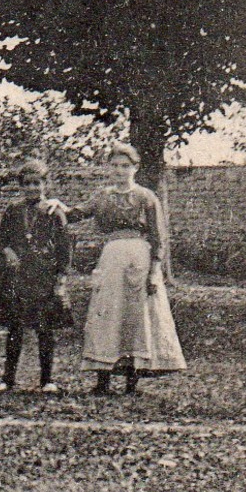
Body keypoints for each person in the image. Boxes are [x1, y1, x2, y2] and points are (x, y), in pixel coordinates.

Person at [68, 143, 185, 395]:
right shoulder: (102, 196)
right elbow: (74, 214)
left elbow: (158, 237)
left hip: (139, 258)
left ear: (135, 168)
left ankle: (132, 383)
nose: (120, 171)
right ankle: (103, 382)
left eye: (125, 166)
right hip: (112, 257)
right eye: (115, 166)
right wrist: (54, 205)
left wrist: (155, 270)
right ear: (108, 168)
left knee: (136, 316)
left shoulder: (146, 197)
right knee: (107, 313)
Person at [0, 159, 74, 393]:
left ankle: (47, 380)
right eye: (27, 184)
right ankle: (8, 378)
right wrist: (8, 252)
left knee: (45, 330)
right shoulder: (13, 210)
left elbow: (65, 249)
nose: (32, 188)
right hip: (17, 278)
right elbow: (0, 241)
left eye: (37, 183)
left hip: (43, 277)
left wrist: (61, 279)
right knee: (15, 328)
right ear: (21, 186)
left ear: (45, 184)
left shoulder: (55, 213)